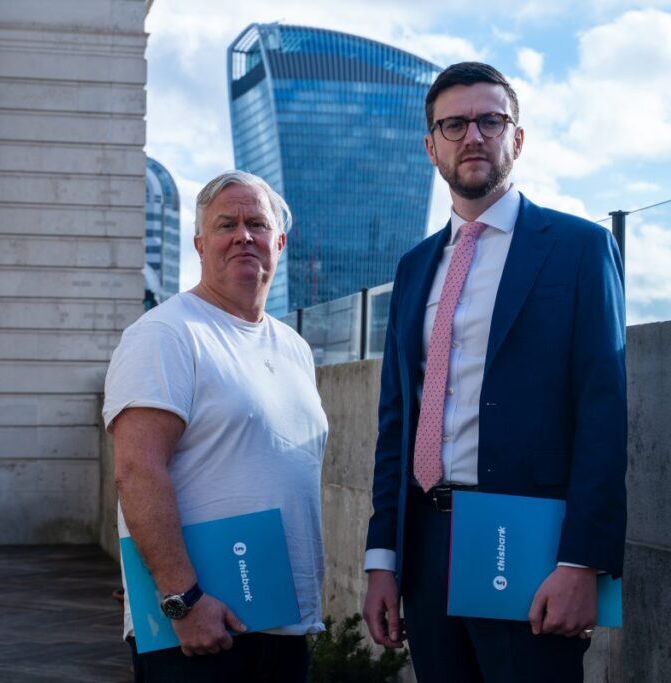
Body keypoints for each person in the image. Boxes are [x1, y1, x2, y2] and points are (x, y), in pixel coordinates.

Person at [361, 61, 627, 683]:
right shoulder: (413, 267)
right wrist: (383, 559)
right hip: (426, 545)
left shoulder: (579, 248)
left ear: (517, 138)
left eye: (490, 120)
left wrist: (582, 562)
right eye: (453, 125)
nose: (473, 136)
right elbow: (396, 423)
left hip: (530, 545)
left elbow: (603, 413)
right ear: (431, 147)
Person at [103, 171, 329, 681]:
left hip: (282, 623)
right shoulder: (166, 333)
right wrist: (183, 600)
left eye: (257, 224)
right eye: (227, 224)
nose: (243, 235)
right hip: (196, 632)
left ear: (279, 243)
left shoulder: (294, 348)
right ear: (200, 244)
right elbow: (136, 471)